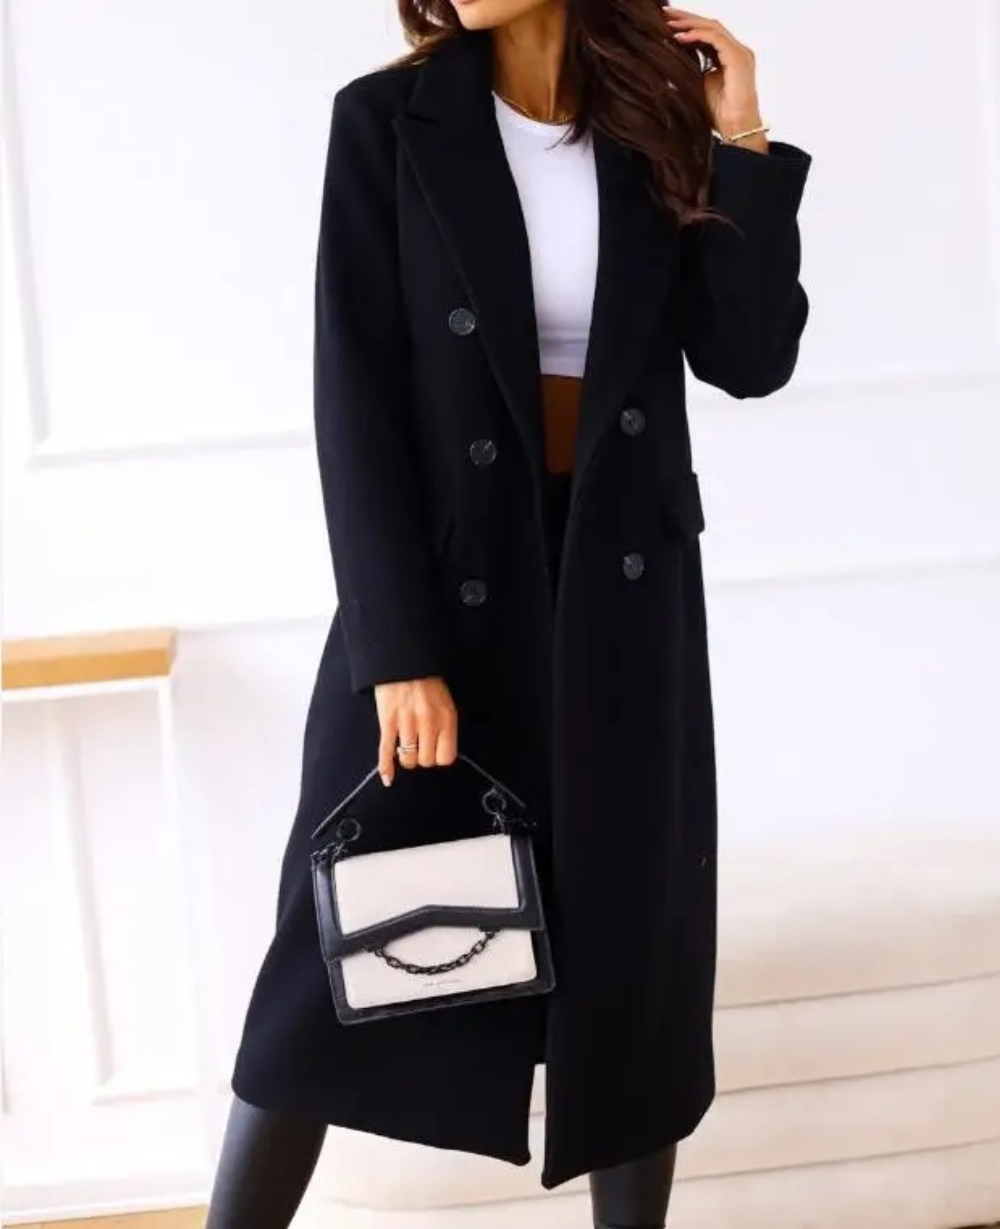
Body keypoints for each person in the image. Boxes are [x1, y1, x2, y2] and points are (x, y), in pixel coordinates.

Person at [207, 1, 812, 1225]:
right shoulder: (388, 120)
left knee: (626, 971)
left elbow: (747, 356)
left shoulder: (651, 118)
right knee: (324, 974)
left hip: (620, 592)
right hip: (446, 592)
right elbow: (354, 392)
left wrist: (740, 137)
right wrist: (397, 650)